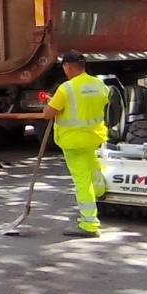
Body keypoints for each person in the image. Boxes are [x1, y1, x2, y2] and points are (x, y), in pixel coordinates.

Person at [43, 50, 110, 238]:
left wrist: (50, 104)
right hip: (94, 137)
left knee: (81, 181)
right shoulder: (100, 85)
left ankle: (89, 224)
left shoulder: (66, 88)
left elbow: (48, 113)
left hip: (73, 141)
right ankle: (100, 191)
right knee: (93, 165)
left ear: (68, 66)